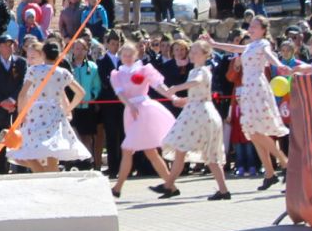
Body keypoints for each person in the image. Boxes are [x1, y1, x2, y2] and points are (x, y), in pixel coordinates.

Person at [214, 15, 289, 190]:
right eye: (251, 25)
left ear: (263, 29)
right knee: (253, 132)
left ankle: (285, 163)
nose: (252, 28)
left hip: (257, 87)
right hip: (247, 89)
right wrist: (213, 44)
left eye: (256, 26)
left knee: (258, 131)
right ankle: (269, 174)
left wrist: (279, 65)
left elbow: (270, 56)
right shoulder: (249, 46)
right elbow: (233, 47)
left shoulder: (263, 44)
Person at [107, 41, 179, 197]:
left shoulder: (144, 69)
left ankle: (117, 188)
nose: (126, 58)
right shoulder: (117, 74)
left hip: (144, 108)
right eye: (124, 55)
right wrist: (129, 105)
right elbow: (120, 94)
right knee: (149, 151)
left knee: (129, 149)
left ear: (135, 55)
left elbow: (159, 85)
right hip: (131, 111)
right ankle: (170, 186)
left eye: (130, 55)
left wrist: (173, 97)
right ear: (120, 56)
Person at [162, 39, 231, 200]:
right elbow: (198, 93)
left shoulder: (202, 70)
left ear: (205, 55)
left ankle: (169, 185)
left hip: (200, 115)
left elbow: (197, 82)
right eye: (191, 51)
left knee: (202, 152)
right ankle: (223, 190)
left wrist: (177, 88)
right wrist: (183, 100)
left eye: (195, 52)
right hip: (197, 112)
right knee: (186, 148)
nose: (191, 54)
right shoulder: (195, 70)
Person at [6, 41, 90, 172]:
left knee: (25, 151)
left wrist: (21, 113)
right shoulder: (63, 72)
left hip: (36, 115)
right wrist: (68, 109)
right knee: (52, 153)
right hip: (55, 114)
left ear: (43, 54)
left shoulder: (34, 70)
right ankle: (50, 179)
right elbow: (81, 93)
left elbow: (22, 95)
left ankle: (46, 178)